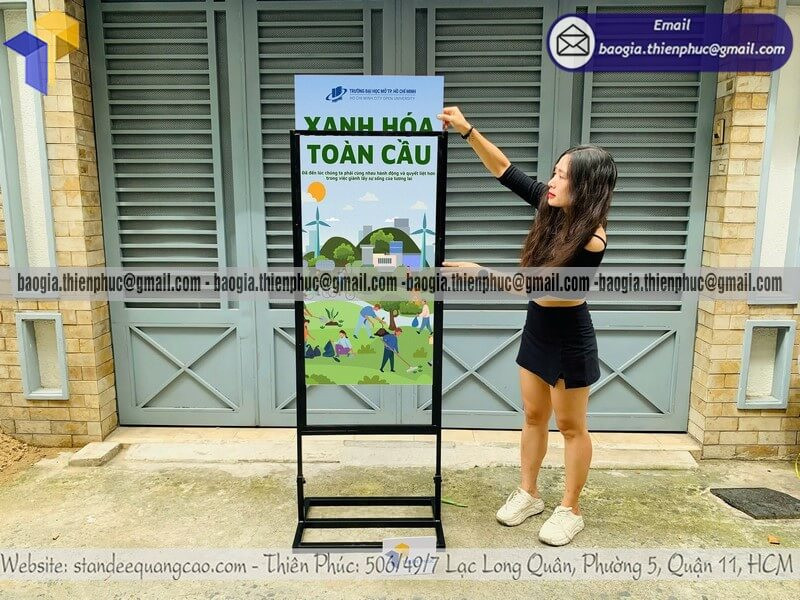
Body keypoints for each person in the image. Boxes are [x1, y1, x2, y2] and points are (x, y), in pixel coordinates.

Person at [438, 106, 617, 546]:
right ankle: (529, 493)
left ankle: (570, 509)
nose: (551, 182)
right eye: (554, 173)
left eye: (562, 176)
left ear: (586, 188)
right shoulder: (553, 207)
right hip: (539, 328)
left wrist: (481, 274)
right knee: (534, 415)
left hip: (569, 336)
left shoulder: (591, 239)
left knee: (571, 426)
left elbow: (543, 289)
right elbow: (505, 170)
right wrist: (467, 129)